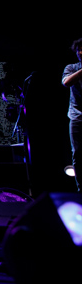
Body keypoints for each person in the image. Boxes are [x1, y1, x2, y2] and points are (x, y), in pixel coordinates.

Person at [63, 38, 82, 191]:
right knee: (78, 155)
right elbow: (66, 82)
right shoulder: (72, 67)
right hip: (77, 117)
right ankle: (80, 190)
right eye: (78, 50)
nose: (80, 52)